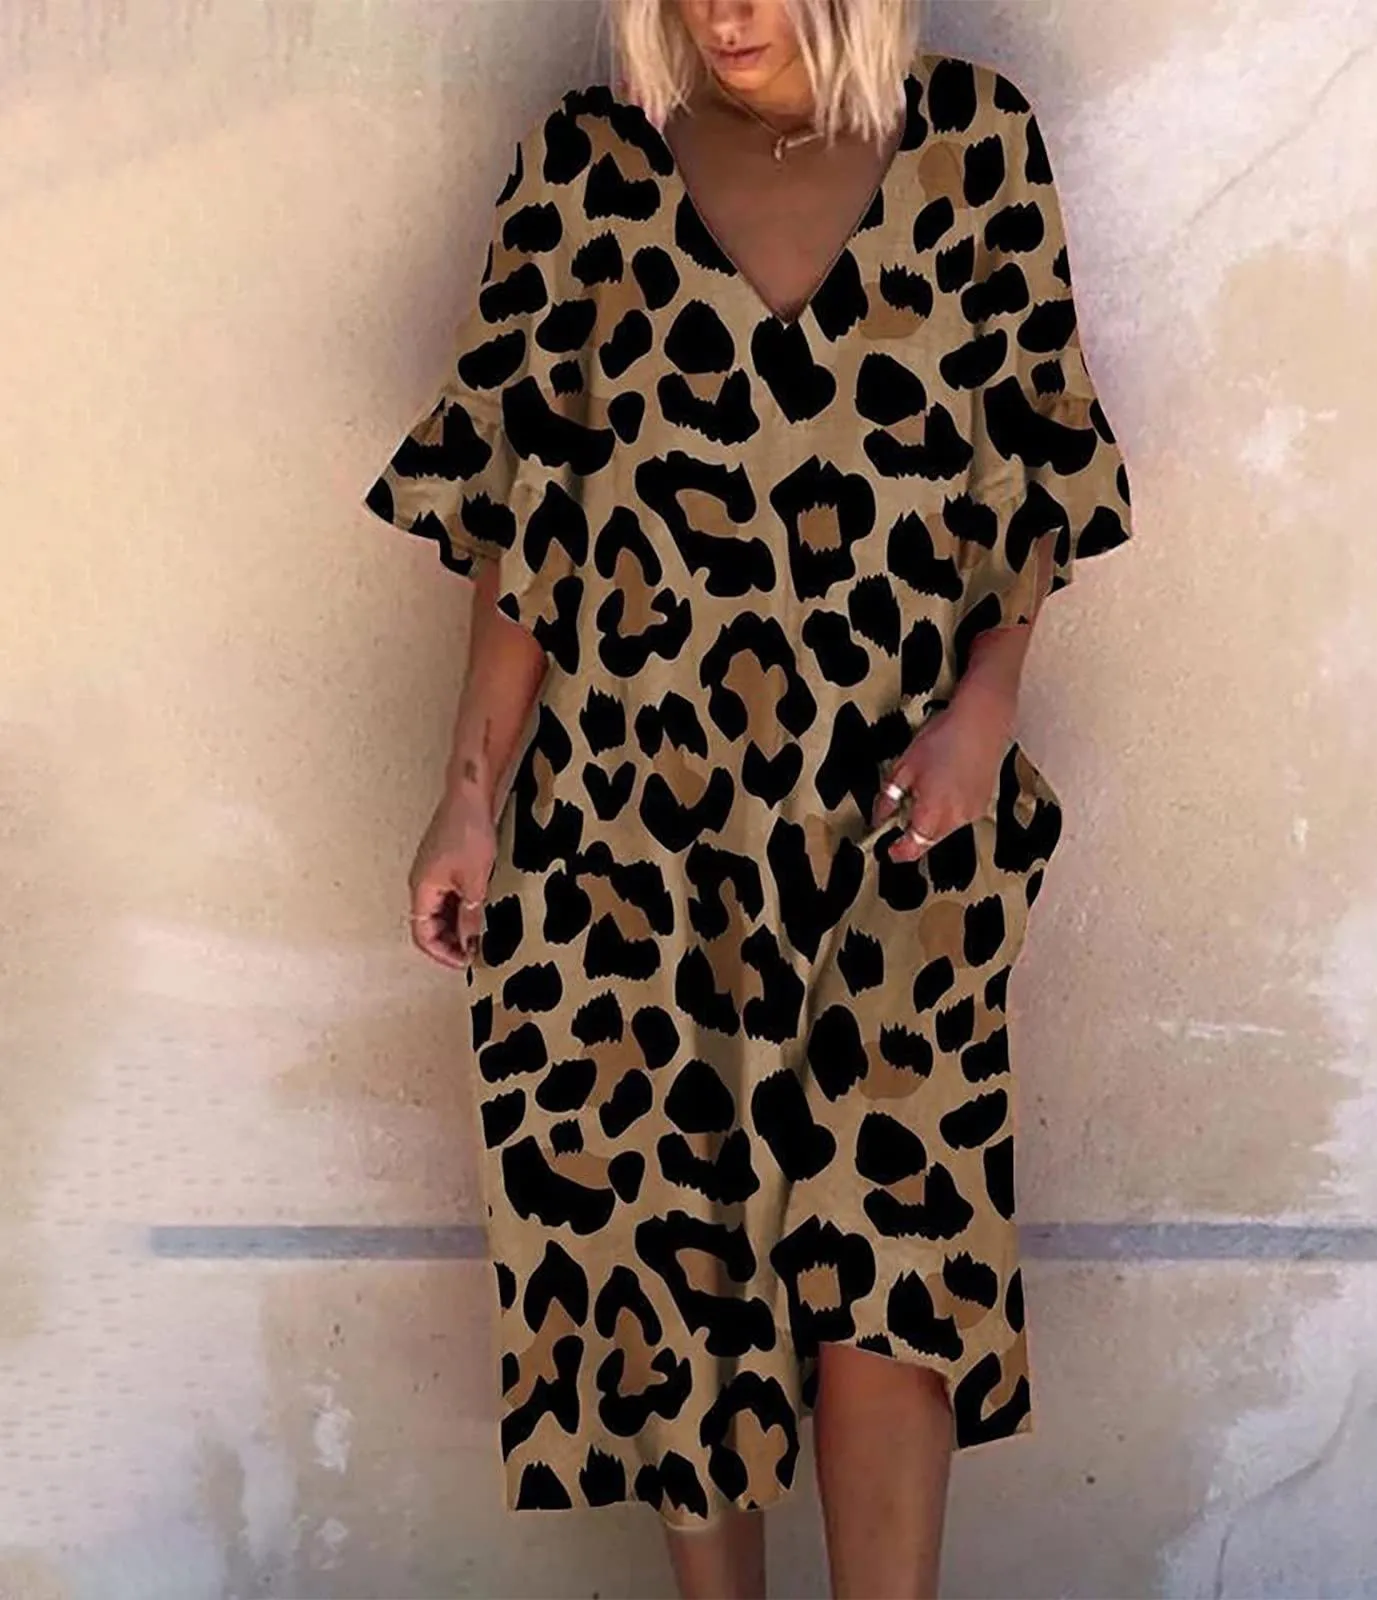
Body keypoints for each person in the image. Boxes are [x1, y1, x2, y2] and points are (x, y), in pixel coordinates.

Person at [360, 0, 1132, 1593]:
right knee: (674, 1263)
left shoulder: (973, 143)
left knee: (890, 1263)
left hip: (900, 822)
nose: (723, 13)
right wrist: (468, 792)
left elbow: (1034, 468)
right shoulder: (584, 171)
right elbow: (523, 519)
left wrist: (988, 707)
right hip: (634, 833)